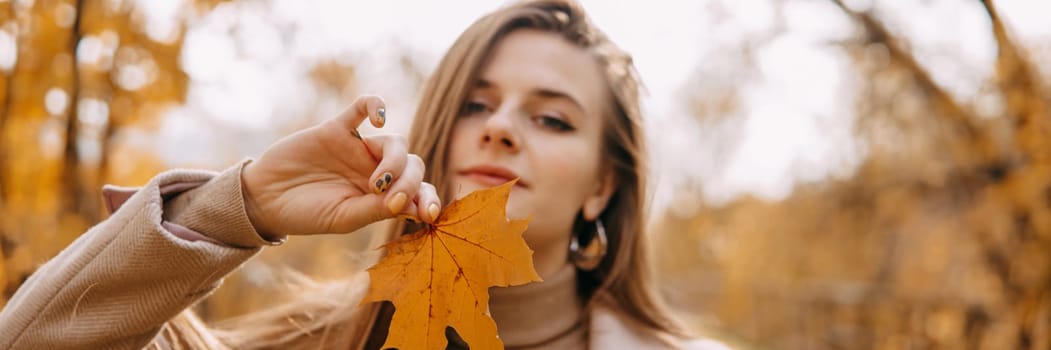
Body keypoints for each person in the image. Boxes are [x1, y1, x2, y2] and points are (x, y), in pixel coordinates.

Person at [0, 0, 728, 349]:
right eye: (475, 103)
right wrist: (238, 204)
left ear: (603, 185)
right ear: (438, 137)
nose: (499, 125)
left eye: (552, 119)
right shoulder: (302, 346)